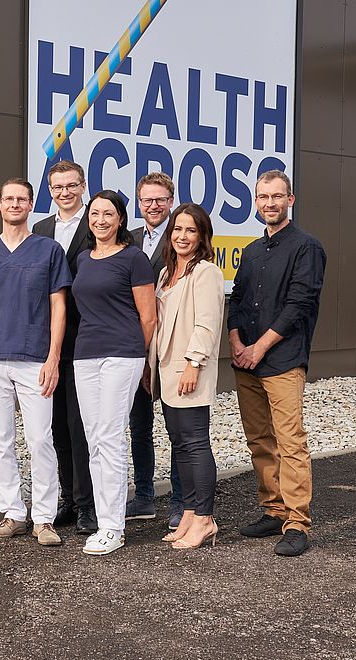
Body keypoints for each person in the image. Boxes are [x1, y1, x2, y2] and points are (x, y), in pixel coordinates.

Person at [0, 179, 70, 547]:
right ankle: (13, 513)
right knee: (1, 440)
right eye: (8, 198)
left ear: (30, 205)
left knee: (41, 439)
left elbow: (59, 305)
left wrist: (53, 357)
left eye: (21, 199)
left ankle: (44, 518)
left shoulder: (48, 250)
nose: (14, 204)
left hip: (34, 358)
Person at [228, 170, 326, 557]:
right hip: (246, 361)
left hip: (283, 360)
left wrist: (260, 347)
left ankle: (297, 523)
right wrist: (237, 342)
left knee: (290, 442)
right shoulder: (251, 251)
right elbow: (236, 300)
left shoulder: (307, 247)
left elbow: (298, 305)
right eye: (262, 197)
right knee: (259, 441)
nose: (269, 203)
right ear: (255, 202)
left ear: (291, 199)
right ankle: (273, 509)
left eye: (276, 196)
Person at [70, 191, 157, 556]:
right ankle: (105, 519)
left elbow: (149, 317)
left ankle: (112, 526)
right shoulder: (82, 259)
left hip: (122, 353)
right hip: (85, 354)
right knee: (94, 438)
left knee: (110, 436)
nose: (101, 220)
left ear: (120, 219)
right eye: (95, 213)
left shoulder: (134, 259)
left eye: (108, 213)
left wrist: (142, 361)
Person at [149, 203, 224, 550]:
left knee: (195, 444)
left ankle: (206, 519)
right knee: (179, 445)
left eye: (190, 230)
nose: (182, 236)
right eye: (177, 229)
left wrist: (194, 363)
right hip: (166, 372)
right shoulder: (166, 274)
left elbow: (206, 324)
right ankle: (191, 514)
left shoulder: (206, 272)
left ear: (202, 236)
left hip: (188, 371)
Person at [31, 160, 97, 534]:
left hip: (86, 338)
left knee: (80, 424)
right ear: (50, 190)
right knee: (55, 426)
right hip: (47, 340)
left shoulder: (99, 221)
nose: (65, 193)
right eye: (57, 187)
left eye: (71, 186)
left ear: (82, 186)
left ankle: (88, 505)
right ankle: (69, 500)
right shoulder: (40, 229)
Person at [127, 171, 183, 529]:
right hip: (132, 346)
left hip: (170, 344)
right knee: (139, 426)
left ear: (171, 201)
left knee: (178, 426)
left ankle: (180, 500)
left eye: (160, 199)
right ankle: (145, 495)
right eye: (147, 199)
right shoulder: (128, 238)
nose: (153, 205)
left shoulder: (180, 239)